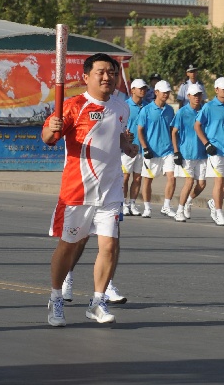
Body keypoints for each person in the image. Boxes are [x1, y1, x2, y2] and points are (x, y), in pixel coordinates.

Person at [42, 53, 136, 327]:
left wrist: (126, 146)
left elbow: (118, 135)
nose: (107, 77)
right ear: (86, 77)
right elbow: (48, 138)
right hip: (77, 192)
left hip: (110, 191)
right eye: (101, 72)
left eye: (112, 72)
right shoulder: (73, 107)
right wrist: (52, 128)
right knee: (68, 248)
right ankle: (56, 297)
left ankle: (97, 303)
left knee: (109, 245)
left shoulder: (122, 107)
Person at [195, 77, 224, 226]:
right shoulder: (208, 107)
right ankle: (218, 212)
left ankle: (213, 201)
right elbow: (197, 126)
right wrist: (206, 143)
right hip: (216, 150)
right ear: (216, 90)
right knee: (219, 181)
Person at [138, 80, 176, 218]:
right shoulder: (146, 110)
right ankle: (147, 207)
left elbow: (172, 130)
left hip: (167, 150)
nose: (166, 94)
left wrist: (176, 150)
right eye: (164, 92)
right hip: (151, 151)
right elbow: (140, 130)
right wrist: (145, 147)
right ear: (156, 92)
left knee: (172, 177)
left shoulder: (170, 110)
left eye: (168, 92)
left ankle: (166, 206)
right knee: (148, 179)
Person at [171, 84, 206, 222]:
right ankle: (179, 210)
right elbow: (174, 132)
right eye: (194, 95)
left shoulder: (204, 110)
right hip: (187, 152)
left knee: (202, 184)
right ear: (189, 96)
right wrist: (176, 152)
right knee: (189, 181)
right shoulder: (182, 112)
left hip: (202, 153)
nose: (197, 97)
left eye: (199, 94)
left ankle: (188, 202)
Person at [122, 78, 147, 216]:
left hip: (141, 149)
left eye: (144, 88)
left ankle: (132, 203)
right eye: (140, 88)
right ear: (132, 90)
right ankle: (124, 203)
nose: (143, 90)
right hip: (127, 149)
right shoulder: (125, 106)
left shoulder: (147, 107)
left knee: (138, 178)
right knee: (125, 177)